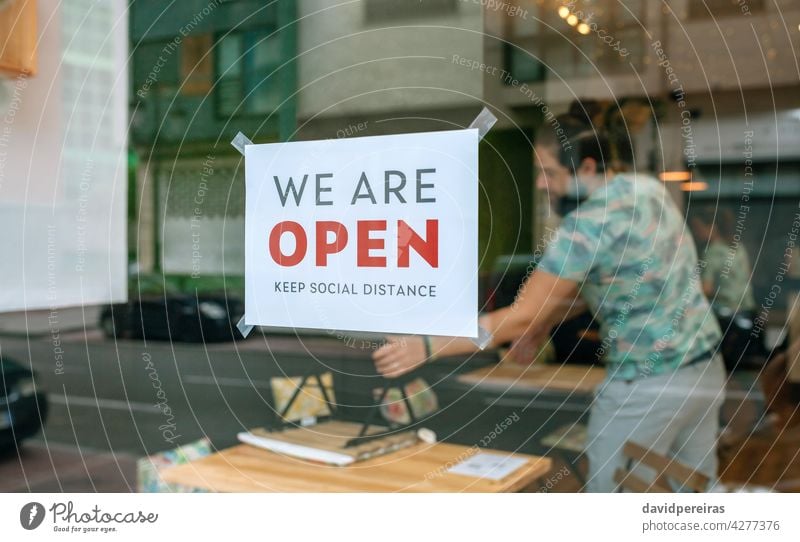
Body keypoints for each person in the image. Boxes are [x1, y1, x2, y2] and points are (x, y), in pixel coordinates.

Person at [372, 112, 726, 492]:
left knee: (612, 499)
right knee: (694, 492)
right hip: (704, 370)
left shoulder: (585, 226)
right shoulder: (646, 189)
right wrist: (540, 324)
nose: (541, 184)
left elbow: (522, 315)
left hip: (648, 385)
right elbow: (614, 288)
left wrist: (427, 346)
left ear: (587, 167)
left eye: (551, 172)